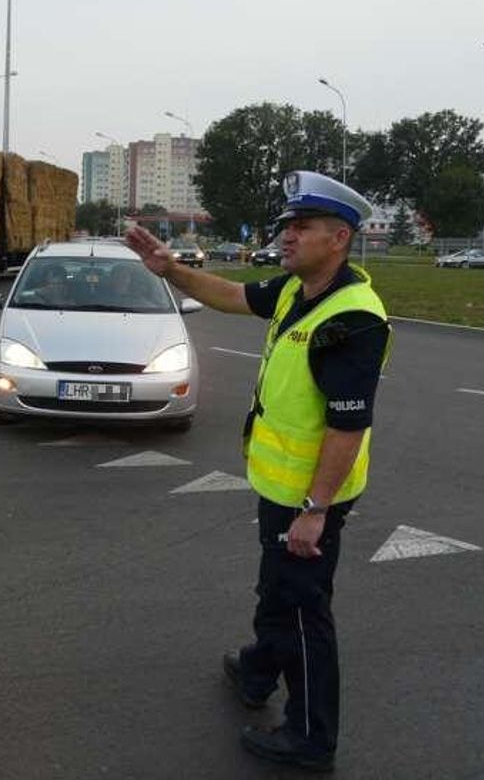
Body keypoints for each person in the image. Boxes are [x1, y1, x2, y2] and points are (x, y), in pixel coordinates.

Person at [125, 171, 391, 773]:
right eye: (286, 227)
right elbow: (233, 295)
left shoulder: (351, 319)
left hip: (309, 497)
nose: (287, 237)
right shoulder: (301, 291)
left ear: (340, 238)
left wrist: (315, 511)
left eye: (301, 228)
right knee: (278, 590)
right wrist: (171, 269)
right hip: (282, 486)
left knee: (301, 609)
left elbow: (348, 426)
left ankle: (310, 737)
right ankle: (257, 670)